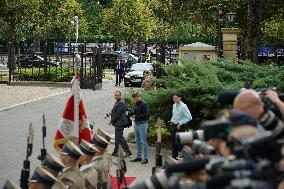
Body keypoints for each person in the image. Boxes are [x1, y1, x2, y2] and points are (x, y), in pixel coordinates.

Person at [109, 91, 132, 157]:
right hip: (118, 123)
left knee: (120, 137)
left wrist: (111, 120)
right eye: (115, 95)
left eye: (117, 95)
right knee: (117, 137)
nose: (116, 96)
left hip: (120, 123)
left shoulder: (121, 103)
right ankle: (115, 151)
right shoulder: (119, 102)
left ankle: (127, 151)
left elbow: (118, 114)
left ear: (120, 96)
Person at [170, 93, 192, 159]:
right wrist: (171, 120)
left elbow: (189, 117)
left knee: (180, 142)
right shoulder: (174, 105)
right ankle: (173, 157)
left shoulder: (183, 106)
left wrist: (180, 123)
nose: (174, 99)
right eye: (173, 98)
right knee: (173, 142)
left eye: (175, 98)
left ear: (180, 98)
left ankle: (180, 157)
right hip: (174, 125)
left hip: (181, 126)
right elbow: (174, 115)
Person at [130, 92, 150, 164]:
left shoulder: (145, 104)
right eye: (134, 99)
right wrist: (131, 113)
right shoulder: (136, 104)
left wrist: (135, 116)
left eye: (137, 98)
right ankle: (138, 157)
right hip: (136, 124)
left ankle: (145, 158)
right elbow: (134, 112)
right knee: (137, 141)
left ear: (140, 96)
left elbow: (146, 115)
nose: (136, 100)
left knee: (143, 141)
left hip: (143, 124)